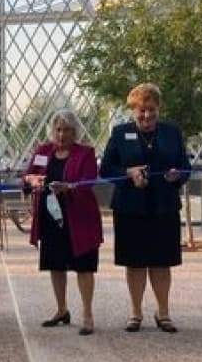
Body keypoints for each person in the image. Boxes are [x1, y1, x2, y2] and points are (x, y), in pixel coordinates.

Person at [99, 83, 190, 333]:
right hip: (130, 208)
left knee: (162, 262)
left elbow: (185, 166)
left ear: (158, 108)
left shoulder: (172, 132)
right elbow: (106, 169)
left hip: (164, 206)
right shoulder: (120, 133)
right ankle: (135, 312)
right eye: (141, 110)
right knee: (135, 262)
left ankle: (163, 312)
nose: (147, 115)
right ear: (133, 110)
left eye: (151, 110)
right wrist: (128, 173)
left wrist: (177, 175)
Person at [24, 109, 102, 335]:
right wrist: (32, 180)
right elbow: (27, 177)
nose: (61, 135)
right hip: (51, 218)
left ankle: (87, 314)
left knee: (84, 267)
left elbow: (89, 182)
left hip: (79, 219)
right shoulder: (43, 151)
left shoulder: (85, 153)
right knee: (55, 265)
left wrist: (69, 187)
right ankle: (61, 309)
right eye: (58, 129)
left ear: (74, 131)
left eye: (66, 130)